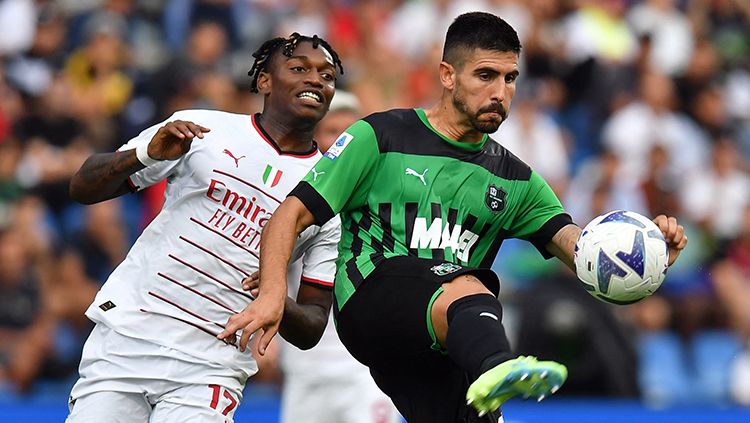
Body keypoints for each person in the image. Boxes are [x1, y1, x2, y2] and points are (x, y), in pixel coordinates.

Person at [220, 12, 688, 423]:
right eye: (485, 75)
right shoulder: (380, 136)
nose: (500, 92)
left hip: (441, 345)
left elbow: (583, 252)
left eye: (509, 79)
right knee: (466, 285)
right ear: (447, 75)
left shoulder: (517, 180)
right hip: (371, 301)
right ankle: (499, 367)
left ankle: (487, 376)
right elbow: (291, 214)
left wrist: (644, 256)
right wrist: (271, 293)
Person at [65, 32, 344, 422]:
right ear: (264, 80)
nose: (316, 79)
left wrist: (274, 294)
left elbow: (312, 325)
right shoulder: (202, 129)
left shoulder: (330, 191)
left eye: (327, 76)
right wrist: (144, 155)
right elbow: (83, 187)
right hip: (128, 336)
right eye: (299, 69)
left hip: (213, 365)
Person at [243, 90, 401, 423]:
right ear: (313, 138)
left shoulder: (387, 199)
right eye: (333, 132)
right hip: (304, 370)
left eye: (351, 133)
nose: (344, 143)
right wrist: (264, 337)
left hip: (365, 370)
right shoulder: (288, 203)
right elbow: (262, 271)